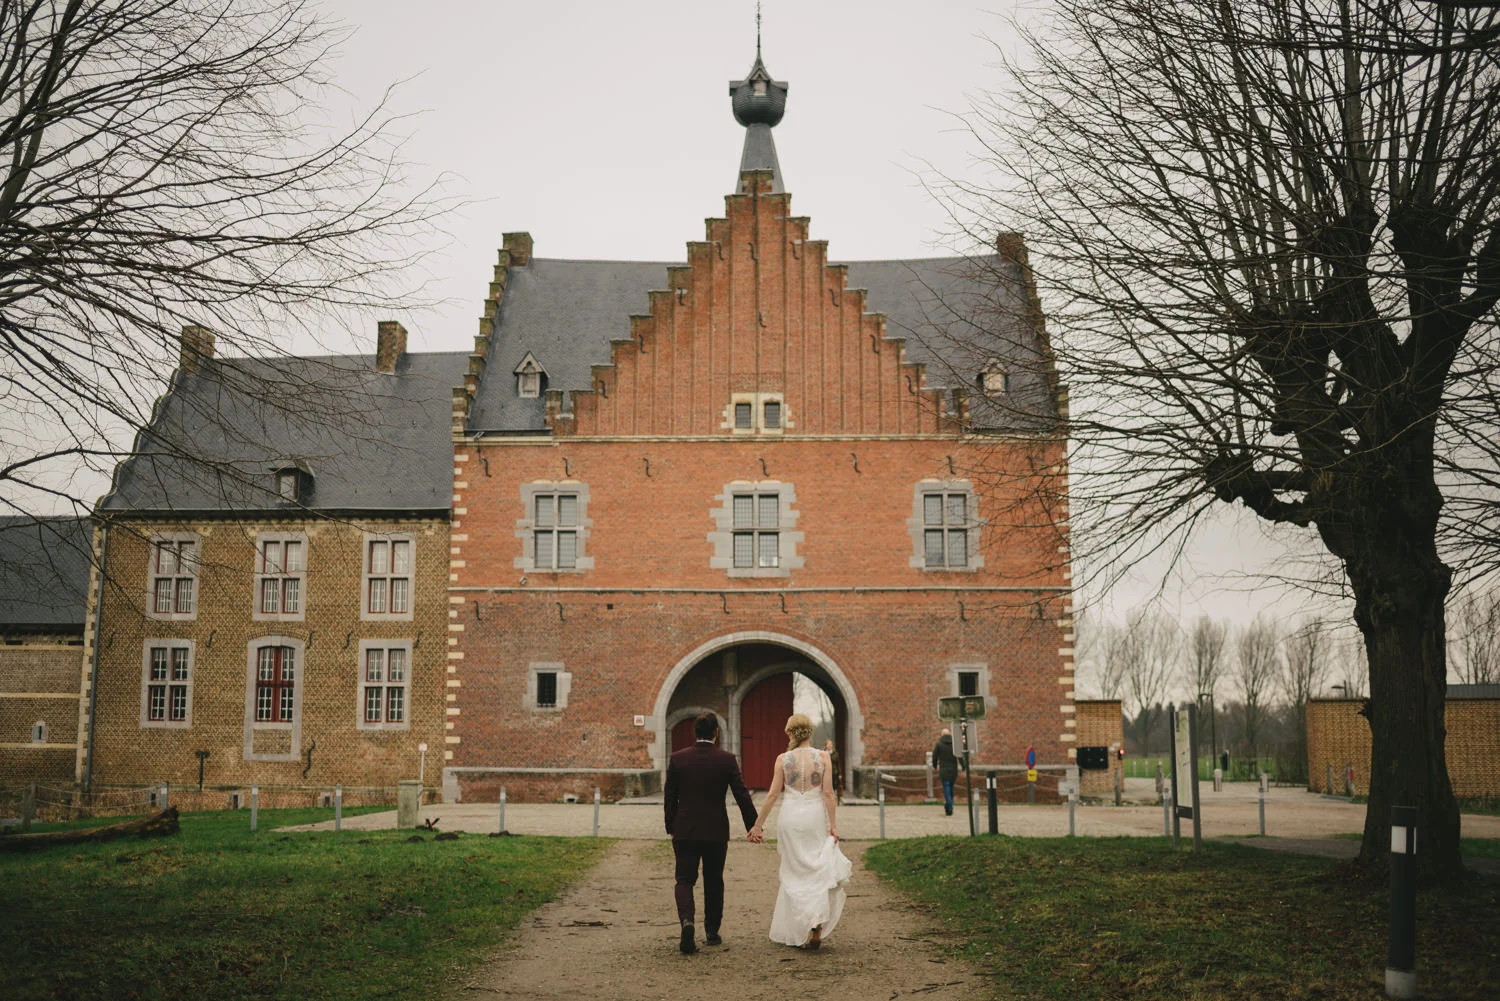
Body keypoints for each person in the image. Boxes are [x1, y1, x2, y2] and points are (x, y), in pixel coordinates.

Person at [748, 713, 852, 950]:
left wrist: (758, 825)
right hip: (813, 818)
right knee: (815, 869)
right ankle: (816, 926)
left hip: (791, 818)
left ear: (789, 733)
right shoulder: (823, 757)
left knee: (794, 871)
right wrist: (833, 825)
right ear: (810, 732)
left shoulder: (782, 760)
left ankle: (801, 925)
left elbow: (772, 795)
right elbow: (828, 794)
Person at [663, 711, 758, 955]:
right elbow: (741, 793)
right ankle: (712, 932)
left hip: (685, 829)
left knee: (684, 879)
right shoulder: (727, 760)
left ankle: (687, 921)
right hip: (716, 830)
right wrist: (753, 824)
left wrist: (670, 825)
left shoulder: (678, 759)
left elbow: (670, 796)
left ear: (695, 732)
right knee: (714, 879)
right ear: (716, 732)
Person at [932, 728, 959, 815]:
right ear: (950, 734)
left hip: (944, 770)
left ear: (941, 735)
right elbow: (959, 755)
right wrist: (963, 766)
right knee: (951, 788)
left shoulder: (939, 744)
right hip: (953, 770)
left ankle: (949, 806)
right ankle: (949, 805)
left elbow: (934, 757)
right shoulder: (954, 745)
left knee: (946, 788)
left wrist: (934, 766)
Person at [823, 738, 843, 803]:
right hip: (825, 772)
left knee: (834, 786)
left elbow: (838, 764)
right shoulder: (823, 753)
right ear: (826, 745)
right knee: (826, 785)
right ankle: (826, 798)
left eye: (831, 744)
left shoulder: (835, 753)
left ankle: (832, 798)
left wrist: (840, 774)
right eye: (828, 744)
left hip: (834, 772)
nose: (830, 745)